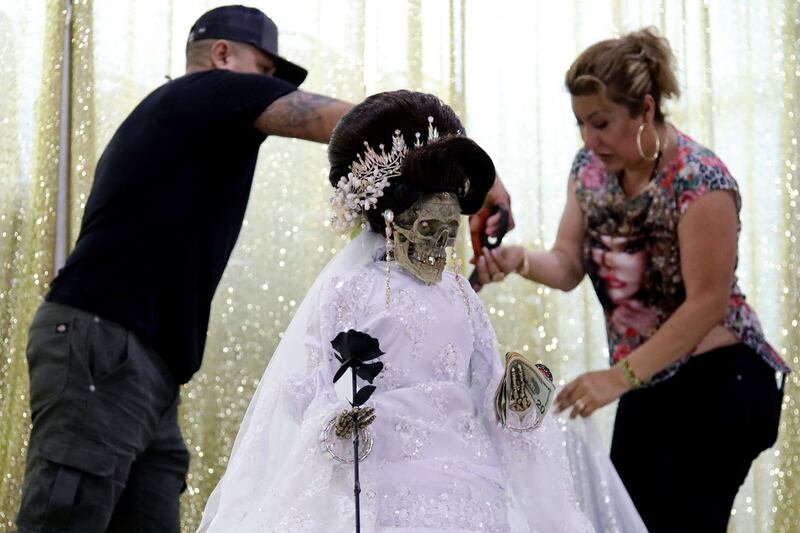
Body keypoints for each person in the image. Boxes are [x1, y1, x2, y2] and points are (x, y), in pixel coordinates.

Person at [197, 90, 647, 533]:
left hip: (468, 484)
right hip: (382, 479)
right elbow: (308, 384)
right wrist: (336, 420)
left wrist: (513, 399)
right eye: (428, 227)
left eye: (449, 230)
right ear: (392, 219)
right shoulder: (351, 290)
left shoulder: (458, 293)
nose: (438, 244)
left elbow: (486, 378)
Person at [14, 5, 357, 533]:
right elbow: (356, 125)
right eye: (264, 72)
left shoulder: (179, 116)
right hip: (108, 347)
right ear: (223, 55)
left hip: (141, 362)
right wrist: (461, 157)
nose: (267, 88)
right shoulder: (210, 91)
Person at [474, 27, 789, 533]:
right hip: (649, 377)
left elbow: (707, 304)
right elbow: (568, 263)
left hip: (723, 378)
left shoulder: (701, 180)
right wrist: (518, 261)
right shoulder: (590, 171)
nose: (589, 140)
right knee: (622, 523)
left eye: (601, 123)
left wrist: (615, 379)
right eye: (581, 124)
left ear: (645, 109)